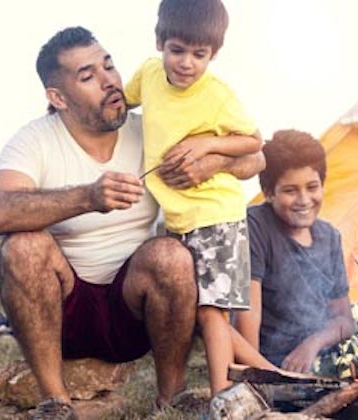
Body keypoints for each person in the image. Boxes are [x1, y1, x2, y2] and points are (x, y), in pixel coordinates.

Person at [0, 27, 265, 418]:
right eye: (88, 76)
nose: (109, 81)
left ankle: (172, 397)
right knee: (22, 247)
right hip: (62, 312)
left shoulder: (150, 129)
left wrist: (212, 160)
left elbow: (256, 160)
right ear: (57, 98)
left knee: (171, 254)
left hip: (133, 312)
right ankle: (54, 403)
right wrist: (88, 197)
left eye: (109, 65)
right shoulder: (35, 140)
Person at [123, 0, 267, 394]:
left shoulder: (216, 95)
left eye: (199, 55)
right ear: (159, 43)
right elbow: (123, 101)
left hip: (216, 214)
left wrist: (206, 143)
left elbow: (253, 140)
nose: (187, 63)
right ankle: (266, 376)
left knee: (211, 314)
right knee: (195, 311)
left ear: (213, 54)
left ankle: (222, 395)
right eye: (178, 51)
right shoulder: (149, 75)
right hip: (177, 219)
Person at [236, 130, 358, 379]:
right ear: (268, 192)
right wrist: (261, 376)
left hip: (321, 341)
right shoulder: (256, 227)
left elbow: (343, 320)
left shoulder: (328, 236)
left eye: (312, 187)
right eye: (290, 190)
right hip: (283, 356)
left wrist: (313, 343)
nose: (304, 200)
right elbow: (247, 319)